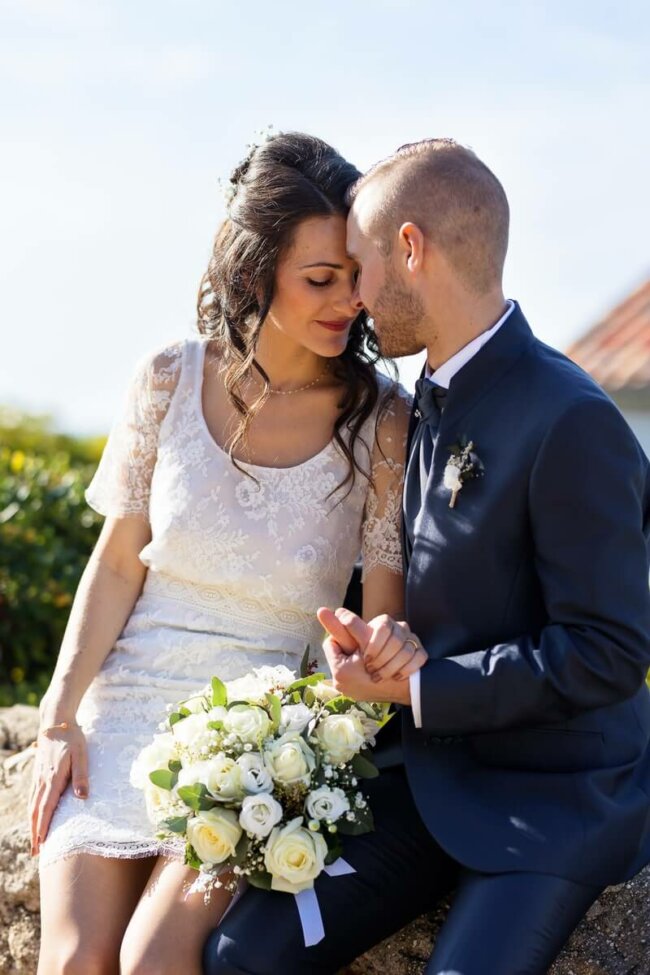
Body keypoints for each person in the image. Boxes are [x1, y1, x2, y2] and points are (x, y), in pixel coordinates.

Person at [203, 139, 650, 975]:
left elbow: (611, 653)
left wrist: (419, 685)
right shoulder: (420, 405)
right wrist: (380, 649)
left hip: (552, 796)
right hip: (428, 779)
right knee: (240, 956)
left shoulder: (573, 418)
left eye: (363, 268)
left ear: (411, 250)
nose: (358, 299)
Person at [30, 131, 428, 975]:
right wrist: (60, 717)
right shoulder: (167, 377)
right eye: (320, 279)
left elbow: (382, 613)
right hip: (124, 707)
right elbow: (118, 561)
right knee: (72, 962)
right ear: (253, 272)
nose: (347, 302)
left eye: (354, 277)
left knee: (155, 960)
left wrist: (366, 664)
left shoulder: (382, 421)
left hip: (257, 744)